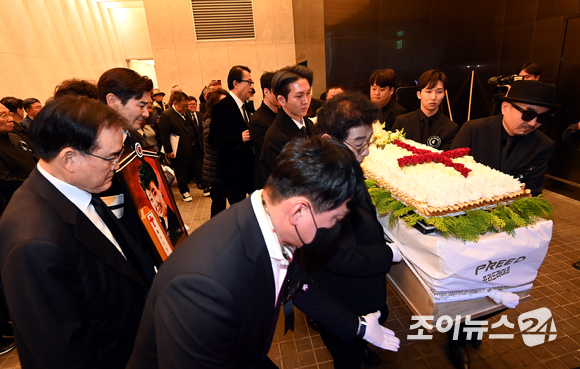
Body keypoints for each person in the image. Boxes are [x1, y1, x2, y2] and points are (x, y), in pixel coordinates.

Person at [126, 137, 399, 369]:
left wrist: (358, 326)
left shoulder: (268, 218)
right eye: (336, 220)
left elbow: (298, 284)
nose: (338, 229)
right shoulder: (203, 289)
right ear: (299, 211)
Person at [0, 96, 156, 369]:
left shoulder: (76, 187)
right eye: (110, 157)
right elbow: (64, 353)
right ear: (69, 158)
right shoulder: (35, 243)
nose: (117, 165)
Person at [305, 92, 400, 368]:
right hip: (342, 299)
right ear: (328, 140)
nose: (366, 151)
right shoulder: (323, 187)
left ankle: (359, 351)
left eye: (368, 142)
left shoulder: (341, 164)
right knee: (346, 356)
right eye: (359, 144)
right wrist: (387, 254)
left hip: (358, 291)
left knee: (355, 349)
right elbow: (341, 258)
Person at [451, 80, 557, 196]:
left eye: (542, 118)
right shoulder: (473, 130)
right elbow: (450, 173)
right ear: (505, 107)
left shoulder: (542, 144)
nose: (533, 123)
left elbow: (533, 191)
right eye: (528, 114)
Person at [208, 65, 255, 205]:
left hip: (248, 171)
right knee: (240, 212)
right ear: (236, 83)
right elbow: (214, 139)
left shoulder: (245, 106)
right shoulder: (223, 106)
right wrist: (239, 138)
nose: (251, 87)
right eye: (249, 82)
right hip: (233, 174)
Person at [260, 65, 315, 183]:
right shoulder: (275, 138)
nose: (306, 101)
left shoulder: (309, 124)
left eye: (308, 93)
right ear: (281, 100)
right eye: (299, 96)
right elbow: (290, 181)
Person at [392, 69, 458, 150]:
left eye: (439, 92)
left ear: (444, 94)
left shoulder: (450, 128)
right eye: (429, 91)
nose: (433, 97)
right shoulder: (402, 122)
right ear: (419, 94)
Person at [158, 91, 202, 202]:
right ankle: (184, 191)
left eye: (186, 106)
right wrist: (169, 150)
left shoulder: (186, 112)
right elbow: (164, 134)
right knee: (181, 171)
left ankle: (204, 185)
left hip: (193, 147)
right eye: (183, 106)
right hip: (178, 149)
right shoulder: (167, 115)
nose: (185, 108)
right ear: (175, 103)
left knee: (198, 167)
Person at [97, 68, 153, 150]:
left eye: (147, 107)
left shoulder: (136, 140)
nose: (146, 114)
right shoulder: (90, 147)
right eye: (141, 106)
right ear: (112, 101)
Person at [138, 160, 183, 246]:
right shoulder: (158, 223)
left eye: (155, 193)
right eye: (151, 199)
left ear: (159, 187)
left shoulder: (174, 220)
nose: (156, 203)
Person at [248, 71, 279, 189]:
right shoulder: (257, 120)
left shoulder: (282, 114)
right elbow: (270, 153)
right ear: (266, 91)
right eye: (278, 90)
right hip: (267, 180)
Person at [202, 89, 229, 217]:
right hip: (215, 170)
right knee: (218, 203)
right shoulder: (210, 121)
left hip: (222, 168)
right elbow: (213, 143)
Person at [187, 96, 209, 196]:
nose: (193, 106)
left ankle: (205, 185)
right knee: (196, 167)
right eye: (190, 104)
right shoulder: (185, 117)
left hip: (201, 145)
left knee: (202, 166)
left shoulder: (200, 115)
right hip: (191, 147)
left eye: (194, 104)